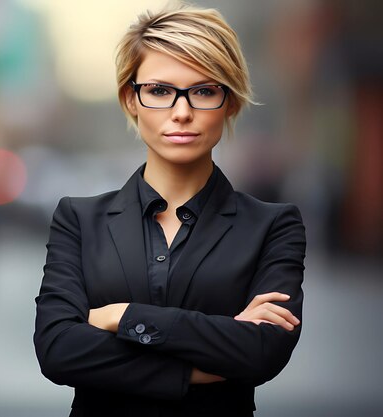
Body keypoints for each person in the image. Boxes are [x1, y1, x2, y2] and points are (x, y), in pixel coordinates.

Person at [34, 4, 306, 417]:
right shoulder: (78, 219)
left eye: (204, 90)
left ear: (229, 103)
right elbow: (57, 350)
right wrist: (200, 366)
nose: (182, 112)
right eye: (160, 91)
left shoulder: (272, 226)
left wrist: (123, 316)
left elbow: (261, 352)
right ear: (131, 99)